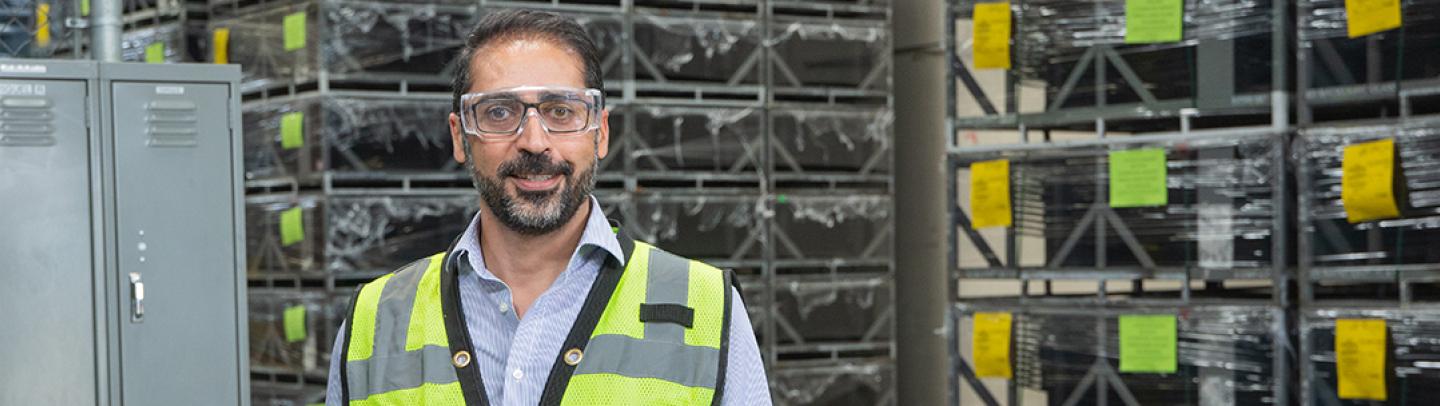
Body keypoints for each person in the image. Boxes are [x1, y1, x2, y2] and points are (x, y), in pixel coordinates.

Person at [324, 9, 771, 406]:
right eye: (499, 113)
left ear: (600, 132)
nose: (535, 141)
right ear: (460, 137)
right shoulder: (373, 320)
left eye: (561, 111)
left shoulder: (709, 310)